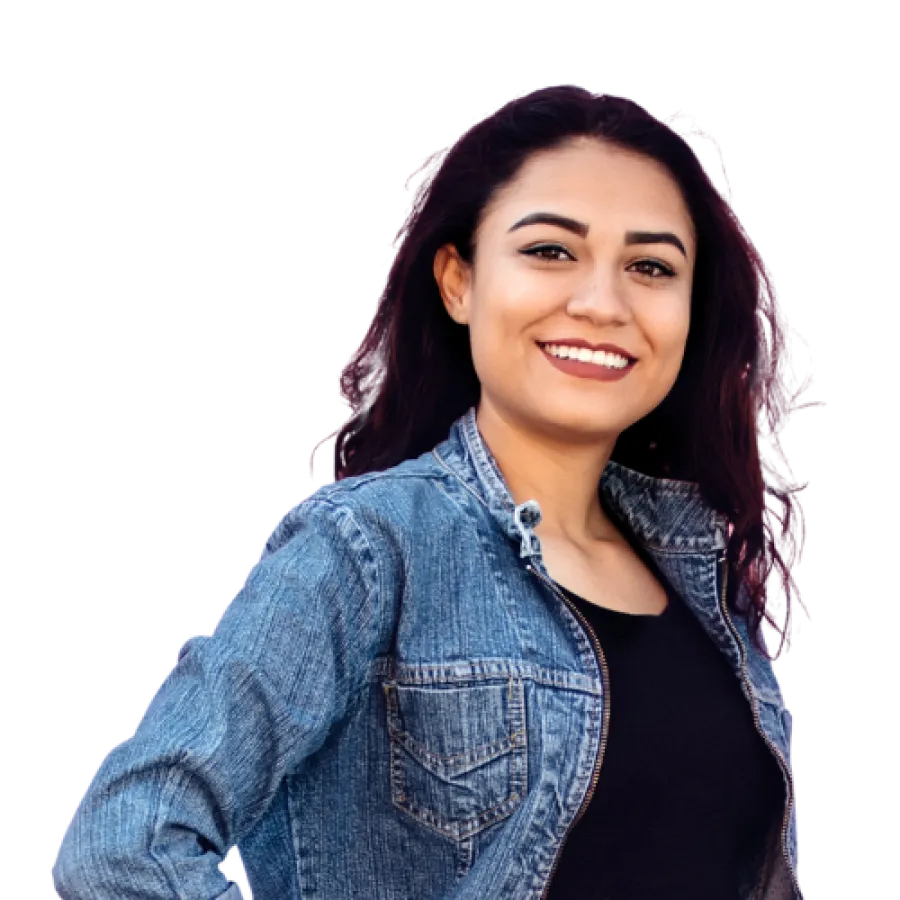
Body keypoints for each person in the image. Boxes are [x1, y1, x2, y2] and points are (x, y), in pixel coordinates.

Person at [52, 82, 822, 899]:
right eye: (550, 251)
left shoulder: (709, 576)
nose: (602, 303)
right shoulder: (367, 549)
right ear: (458, 282)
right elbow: (121, 847)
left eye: (651, 266)